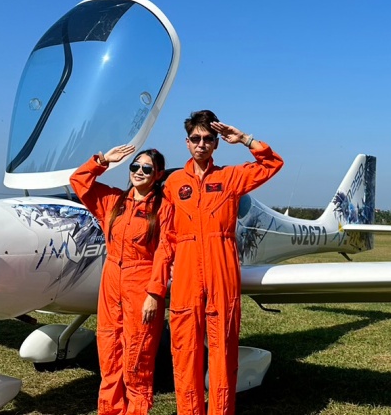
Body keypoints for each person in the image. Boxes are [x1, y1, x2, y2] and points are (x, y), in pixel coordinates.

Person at [163, 110, 284, 415]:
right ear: (187, 143)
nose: (201, 144)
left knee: (222, 348)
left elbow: (272, 163)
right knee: (185, 348)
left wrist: (244, 139)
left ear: (216, 144)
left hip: (221, 266)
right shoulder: (173, 183)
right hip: (187, 270)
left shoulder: (230, 177)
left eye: (208, 139)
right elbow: (166, 233)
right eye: (195, 139)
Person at [70, 144, 174, 415]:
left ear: (158, 174)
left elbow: (165, 252)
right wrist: (103, 160)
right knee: (109, 351)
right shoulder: (113, 201)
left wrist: (155, 292)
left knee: (137, 355)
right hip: (111, 281)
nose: (139, 171)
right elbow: (78, 182)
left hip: (142, 283)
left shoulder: (163, 209)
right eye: (135, 166)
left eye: (146, 168)